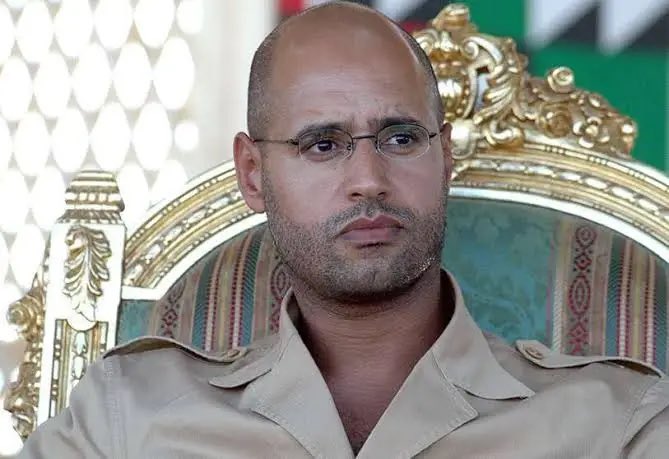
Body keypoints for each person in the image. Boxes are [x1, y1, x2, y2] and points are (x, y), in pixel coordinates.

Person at [18, 2, 668, 457]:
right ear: (252, 173)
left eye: (400, 137)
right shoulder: (131, 411)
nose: (368, 180)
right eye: (322, 145)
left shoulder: (616, 419)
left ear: (444, 156)